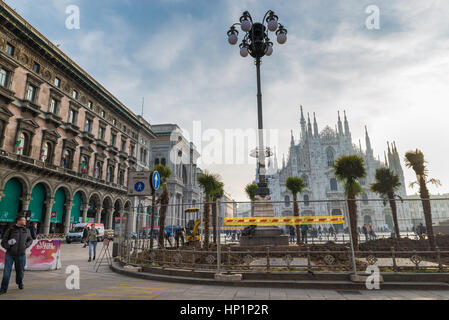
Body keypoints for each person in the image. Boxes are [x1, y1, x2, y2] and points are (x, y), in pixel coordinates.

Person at [0, 216, 33, 295]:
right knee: (6, 273)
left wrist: (26, 245)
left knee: (20, 272)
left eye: (25, 220)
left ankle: (19, 282)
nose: (25, 221)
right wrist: (9, 245)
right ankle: (3, 289)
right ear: (18, 221)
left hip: (21, 255)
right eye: (23, 220)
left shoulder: (27, 230)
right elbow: (3, 242)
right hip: (10, 255)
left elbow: (30, 239)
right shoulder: (10, 230)